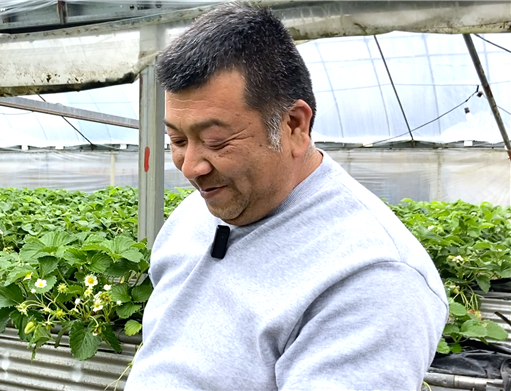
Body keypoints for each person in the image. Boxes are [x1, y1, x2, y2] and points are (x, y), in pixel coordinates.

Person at [125, 3, 448, 390]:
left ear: (294, 125)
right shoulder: (197, 211)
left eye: (216, 141)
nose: (190, 166)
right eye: (177, 139)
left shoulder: (373, 277)